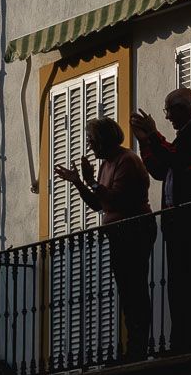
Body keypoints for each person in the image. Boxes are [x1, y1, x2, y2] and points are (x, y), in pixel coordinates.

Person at [53, 117, 156, 361]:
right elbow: (98, 205)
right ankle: (134, 346)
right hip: (119, 234)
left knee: (135, 291)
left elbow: (115, 200)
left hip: (134, 231)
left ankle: (138, 348)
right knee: (128, 292)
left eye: (91, 140)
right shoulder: (107, 164)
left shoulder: (126, 160)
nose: (89, 146)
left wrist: (89, 181)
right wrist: (79, 181)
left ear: (103, 140)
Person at [130, 88, 191, 352]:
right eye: (166, 111)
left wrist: (154, 135)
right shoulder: (183, 139)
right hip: (178, 223)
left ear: (185, 109)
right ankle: (181, 337)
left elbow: (178, 160)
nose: (168, 116)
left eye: (170, 110)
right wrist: (145, 142)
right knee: (179, 285)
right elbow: (161, 170)